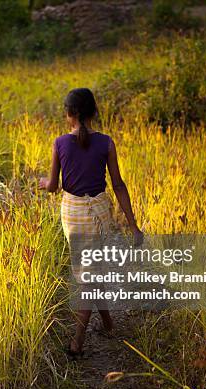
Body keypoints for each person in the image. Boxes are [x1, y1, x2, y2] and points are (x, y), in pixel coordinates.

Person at [39, 87, 143, 357]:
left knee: (89, 274)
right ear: (92, 113)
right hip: (98, 214)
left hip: (72, 215)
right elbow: (118, 185)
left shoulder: (60, 143)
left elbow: (52, 186)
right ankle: (107, 324)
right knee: (92, 272)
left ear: (70, 114)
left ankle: (78, 340)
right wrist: (133, 226)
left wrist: (41, 183)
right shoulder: (106, 143)